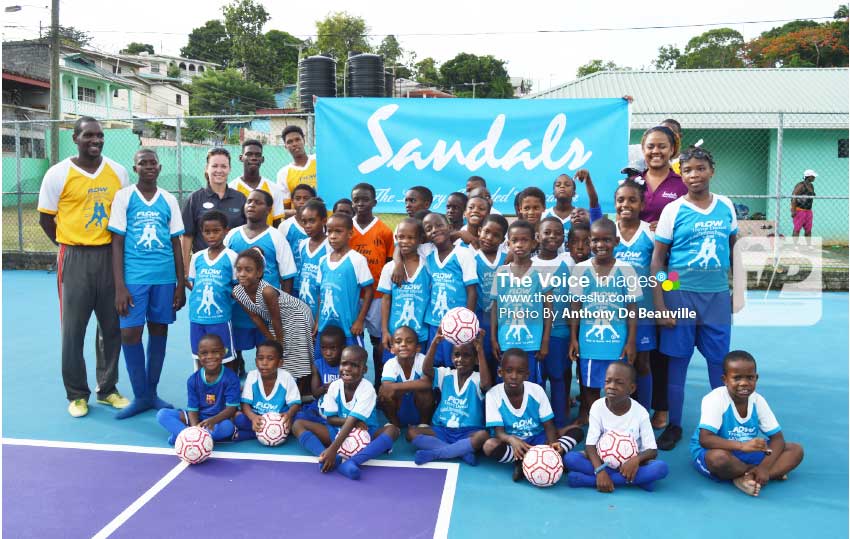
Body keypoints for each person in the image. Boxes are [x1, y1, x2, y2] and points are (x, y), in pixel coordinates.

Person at [651, 146, 744, 450]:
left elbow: (735, 250)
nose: (694, 175)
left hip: (716, 296)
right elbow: (659, 261)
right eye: (688, 170)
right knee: (677, 365)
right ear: (681, 173)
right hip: (680, 294)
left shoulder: (726, 206)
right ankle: (675, 425)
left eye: (700, 168)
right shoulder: (673, 210)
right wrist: (662, 302)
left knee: (720, 365)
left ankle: (722, 425)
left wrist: (737, 291)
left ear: (711, 171)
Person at [37, 116, 130, 417]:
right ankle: (77, 394)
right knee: (73, 330)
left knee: (112, 326)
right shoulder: (57, 174)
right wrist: (68, 243)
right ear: (75, 138)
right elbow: (45, 218)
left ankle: (108, 389)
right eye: (89, 135)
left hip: (110, 256)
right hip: (74, 257)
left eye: (100, 136)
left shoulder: (118, 172)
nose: (96, 140)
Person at [108, 149, 185, 419]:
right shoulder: (124, 197)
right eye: (143, 163)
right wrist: (119, 285)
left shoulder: (169, 199)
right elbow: (116, 242)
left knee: (159, 331)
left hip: (164, 278)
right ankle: (140, 395)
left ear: (160, 168)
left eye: (153, 163)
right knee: (130, 333)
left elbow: (176, 242)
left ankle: (151, 393)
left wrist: (179, 283)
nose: (149, 167)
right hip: (134, 278)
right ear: (136, 167)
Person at [690, 350, 803, 496]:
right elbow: (705, 439)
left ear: (756, 378)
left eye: (750, 378)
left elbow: (777, 439)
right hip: (714, 451)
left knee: (795, 450)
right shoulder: (714, 399)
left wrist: (764, 467)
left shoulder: (758, 400)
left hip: (747, 450)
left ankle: (749, 476)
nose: (744, 383)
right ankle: (761, 474)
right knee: (718, 459)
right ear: (724, 379)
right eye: (736, 378)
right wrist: (742, 446)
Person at [637, 126, 687, 431]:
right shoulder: (632, 182)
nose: (656, 152)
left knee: (663, 339)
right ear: (643, 150)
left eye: (662, 147)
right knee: (637, 339)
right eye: (650, 147)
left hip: (671, 271)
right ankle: (632, 404)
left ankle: (662, 407)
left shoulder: (682, 185)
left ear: (673, 150)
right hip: (635, 271)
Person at [569, 218, 640, 425]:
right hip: (589, 344)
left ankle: (616, 425)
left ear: (616, 241)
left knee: (618, 386)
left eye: (606, 240)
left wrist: (631, 341)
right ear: (590, 241)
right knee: (590, 388)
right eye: (596, 240)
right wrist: (573, 338)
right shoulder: (580, 269)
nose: (600, 245)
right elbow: (575, 306)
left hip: (617, 344)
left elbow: (632, 308)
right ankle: (594, 425)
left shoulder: (626, 270)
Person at [291, 346, 400, 480]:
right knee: (297, 424)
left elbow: (352, 421)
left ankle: (352, 462)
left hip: (366, 434)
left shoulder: (367, 389)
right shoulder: (334, 386)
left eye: (354, 365)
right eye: (344, 363)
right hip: (337, 431)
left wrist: (333, 447)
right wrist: (331, 451)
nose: (347, 368)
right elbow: (331, 419)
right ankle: (326, 456)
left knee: (393, 430)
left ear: (364, 370)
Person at [563, 362, 668, 492]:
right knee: (570, 459)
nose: (612, 386)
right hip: (603, 463)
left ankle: (590, 481)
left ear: (632, 388)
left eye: (619, 382)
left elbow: (652, 450)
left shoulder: (640, 413)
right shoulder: (597, 407)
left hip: (631, 465)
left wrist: (635, 461)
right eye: (608, 381)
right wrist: (600, 470)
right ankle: (634, 480)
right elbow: (590, 446)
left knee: (661, 468)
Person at [482, 349, 583, 481]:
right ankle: (529, 461)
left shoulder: (536, 390)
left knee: (577, 431)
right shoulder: (493, 395)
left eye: (520, 372)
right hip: (514, 445)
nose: (513, 376)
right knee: (489, 446)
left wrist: (552, 445)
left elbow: (548, 425)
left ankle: (544, 459)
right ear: (500, 372)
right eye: (509, 371)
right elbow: (499, 433)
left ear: (527, 375)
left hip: (538, 439)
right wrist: (512, 440)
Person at [225, 189, 297, 370]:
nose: (251, 205)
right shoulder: (232, 235)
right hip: (237, 309)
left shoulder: (276, 237)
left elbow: (287, 275)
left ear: (269, 209)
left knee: (266, 352)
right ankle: (235, 384)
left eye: (258, 202)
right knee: (233, 355)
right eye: (249, 201)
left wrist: (283, 307)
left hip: (266, 310)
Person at [232, 249, 314, 390]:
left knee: (296, 353)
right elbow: (255, 317)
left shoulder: (267, 291)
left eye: (248, 270)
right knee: (279, 352)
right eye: (239, 270)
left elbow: (276, 320)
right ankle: (286, 388)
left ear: (259, 272)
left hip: (296, 314)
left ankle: (303, 389)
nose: (242, 274)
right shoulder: (237, 292)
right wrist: (271, 339)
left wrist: (279, 343)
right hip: (276, 320)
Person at [408, 328, 493, 465]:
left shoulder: (477, 379)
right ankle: (461, 451)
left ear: (475, 359)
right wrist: (435, 343)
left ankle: (436, 453)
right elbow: (426, 369)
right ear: (451, 357)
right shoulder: (445, 374)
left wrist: (480, 350)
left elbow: (487, 384)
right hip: (443, 430)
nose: (460, 359)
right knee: (411, 432)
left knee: (483, 436)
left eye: (467, 355)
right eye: (457, 355)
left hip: (468, 431)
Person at [490, 220, 553, 386]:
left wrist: (545, 340)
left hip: (533, 342)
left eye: (524, 240)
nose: (519, 244)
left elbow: (548, 309)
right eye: (515, 240)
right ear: (508, 244)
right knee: (507, 383)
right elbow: (495, 308)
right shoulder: (501, 272)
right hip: (506, 341)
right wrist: (493, 339)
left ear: (533, 243)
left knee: (532, 384)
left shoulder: (541, 272)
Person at [613, 178, 656, 410]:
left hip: (644, 311)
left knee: (641, 363)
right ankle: (617, 410)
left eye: (632, 200)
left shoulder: (650, 233)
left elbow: (665, 272)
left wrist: (670, 296)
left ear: (642, 204)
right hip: (613, 312)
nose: (625, 204)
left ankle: (644, 411)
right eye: (620, 200)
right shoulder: (608, 233)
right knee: (616, 362)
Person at [349, 183, 395, 388]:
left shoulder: (384, 230)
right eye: (356, 199)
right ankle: (352, 383)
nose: (360, 203)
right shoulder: (347, 228)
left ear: (374, 202)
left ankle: (379, 380)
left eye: (365, 199)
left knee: (378, 341)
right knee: (352, 338)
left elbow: (389, 261)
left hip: (376, 295)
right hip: (352, 295)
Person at [156, 334, 239, 444]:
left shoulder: (231, 378)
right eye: (204, 353)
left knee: (227, 427)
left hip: (218, 420)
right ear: (199, 356)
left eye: (215, 352)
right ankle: (192, 437)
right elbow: (193, 409)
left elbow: (231, 409)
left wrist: (213, 421)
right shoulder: (193, 380)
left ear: (223, 353)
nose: (209, 356)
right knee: (162, 415)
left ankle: (184, 437)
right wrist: (195, 427)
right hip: (197, 419)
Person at [533, 217, 575, 428]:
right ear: (537, 236)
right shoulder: (528, 263)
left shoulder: (568, 262)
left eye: (557, 233)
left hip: (560, 332)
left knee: (559, 378)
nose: (552, 237)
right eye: (547, 232)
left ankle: (560, 424)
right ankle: (536, 423)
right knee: (536, 381)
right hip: (532, 335)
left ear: (563, 238)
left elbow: (576, 297)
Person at [422, 213, 479, 367]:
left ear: (449, 227)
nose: (434, 230)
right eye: (429, 229)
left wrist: (469, 323)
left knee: (455, 365)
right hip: (435, 323)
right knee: (435, 365)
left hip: (458, 325)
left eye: (440, 225)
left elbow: (472, 291)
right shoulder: (427, 253)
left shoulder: (463, 253)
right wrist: (458, 233)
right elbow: (402, 244)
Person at [181, 148, 247, 278]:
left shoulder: (240, 199)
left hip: (234, 270)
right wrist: (186, 269)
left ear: (229, 169)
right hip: (205, 271)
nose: (219, 170)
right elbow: (187, 236)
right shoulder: (195, 199)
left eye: (224, 166)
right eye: (214, 166)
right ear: (207, 168)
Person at [186, 210, 238, 372]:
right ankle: (202, 389)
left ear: (225, 231)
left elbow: (237, 286)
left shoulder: (231, 257)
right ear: (201, 233)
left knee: (225, 357)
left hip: (220, 318)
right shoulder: (197, 257)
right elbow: (193, 283)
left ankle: (229, 390)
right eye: (207, 232)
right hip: (197, 318)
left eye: (216, 231)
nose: (211, 236)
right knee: (199, 356)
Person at [315, 213, 374, 351]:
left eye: (338, 231)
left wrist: (360, 320)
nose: (333, 236)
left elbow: (369, 291)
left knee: (353, 361)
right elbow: (320, 294)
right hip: (325, 325)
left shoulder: (357, 260)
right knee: (322, 362)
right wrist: (318, 320)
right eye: (329, 231)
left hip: (348, 327)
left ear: (350, 233)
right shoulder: (323, 260)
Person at [379, 218, 431, 361]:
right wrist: (384, 331)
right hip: (395, 334)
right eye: (401, 237)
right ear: (396, 238)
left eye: (411, 237)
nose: (405, 241)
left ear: (420, 239)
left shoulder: (428, 265)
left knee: (420, 372)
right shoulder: (389, 268)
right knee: (392, 371)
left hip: (421, 333)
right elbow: (386, 300)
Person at [234, 340, 302, 441]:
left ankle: (253, 434)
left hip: (279, 418)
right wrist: (252, 417)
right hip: (258, 418)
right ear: (256, 361)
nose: (264, 363)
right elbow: (245, 404)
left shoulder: (286, 377)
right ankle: (278, 433)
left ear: (280, 362)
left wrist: (289, 414)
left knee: (300, 417)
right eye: (260, 358)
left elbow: (295, 404)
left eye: (270, 359)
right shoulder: (252, 376)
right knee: (238, 418)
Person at [473, 214, 509, 375]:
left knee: (501, 359)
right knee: (482, 359)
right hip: (480, 318)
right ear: (479, 231)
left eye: (496, 235)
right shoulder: (470, 258)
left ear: (502, 240)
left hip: (503, 319)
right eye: (486, 232)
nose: (489, 238)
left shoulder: (507, 258)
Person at [377, 326, 434, 427]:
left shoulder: (422, 360)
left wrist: (395, 387)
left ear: (418, 348)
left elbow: (427, 383)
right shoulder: (390, 364)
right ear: (392, 349)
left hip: (419, 408)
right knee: (384, 394)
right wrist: (416, 385)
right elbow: (386, 388)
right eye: (398, 342)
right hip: (400, 407)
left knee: (425, 391)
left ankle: (423, 424)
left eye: (409, 341)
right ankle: (395, 424)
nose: (403, 344)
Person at [230, 140, 286, 227]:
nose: (253, 158)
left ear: (262, 159)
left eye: (257, 155)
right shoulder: (232, 188)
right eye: (249, 154)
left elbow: (277, 223)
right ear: (241, 158)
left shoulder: (274, 189)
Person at [279, 183, 316, 297]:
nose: (301, 202)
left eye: (306, 198)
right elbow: (281, 256)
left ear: (313, 200)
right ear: (292, 201)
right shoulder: (285, 226)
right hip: (292, 283)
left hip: (314, 282)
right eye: (298, 198)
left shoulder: (320, 225)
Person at [296, 199, 330, 320]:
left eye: (312, 221)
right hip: (304, 303)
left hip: (322, 304)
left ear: (324, 220)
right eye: (304, 222)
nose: (307, 226)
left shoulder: (330, 245)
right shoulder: (303, 244)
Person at [277, 125, 317, 216]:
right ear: (285, 146)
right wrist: (305, 212)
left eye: (297, 139)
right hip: (302, 222)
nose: (294, 144)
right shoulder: (283, 173)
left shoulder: (319, 160)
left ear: (304, 140)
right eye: (289, 142)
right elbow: (284, 210)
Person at [791, 169, 817, 239]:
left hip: (808, 210)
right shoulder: (800, 185)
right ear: (808, 177)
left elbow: (811, 195)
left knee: (808, 230)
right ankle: (795, 246)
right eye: (813, 176)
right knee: (797, 229)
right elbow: (793, 197)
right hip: (799, 210)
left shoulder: (811, 185)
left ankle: (808, 246)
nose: (814, 177)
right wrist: (793, 210)